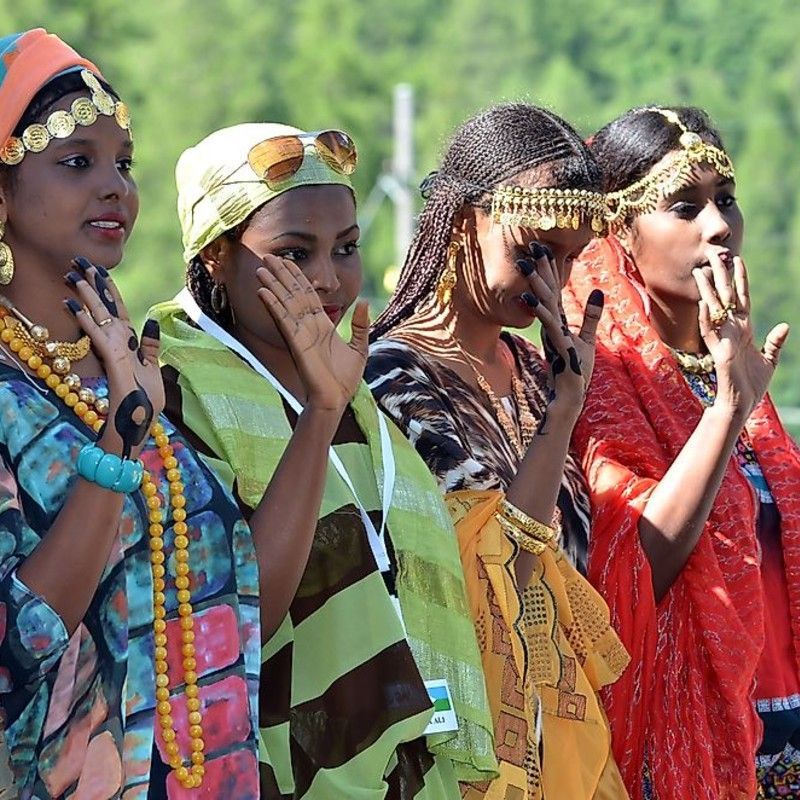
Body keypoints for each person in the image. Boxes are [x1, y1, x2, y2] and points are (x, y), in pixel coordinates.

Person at [149, 122, 497, 799]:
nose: (326, 279)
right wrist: (318, 412)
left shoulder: (362, 400)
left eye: (346, 248)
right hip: (273, 774)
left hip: (409, 774)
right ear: (216, 254)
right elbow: (241, 611)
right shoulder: (171, 389)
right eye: (292, 251)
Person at [0, 29, 265, 797]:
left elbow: (237, 605)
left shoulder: (136, 368)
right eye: (77, 162)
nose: (115, 187)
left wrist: (320, 410)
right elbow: (21, 643)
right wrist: (118, 437)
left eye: (123, 164)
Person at [367, 103, 630, 800]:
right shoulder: (388, 377)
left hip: (556, 743)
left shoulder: (542, 372)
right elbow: (498, 571)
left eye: (571, 262)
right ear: (463, 221)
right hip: (450, 748)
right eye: (535, 252)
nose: (554, 284)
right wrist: (566, 411)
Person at [563, 106, 800, 800]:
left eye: (724, 200)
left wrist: (733, 393)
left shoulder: (731, 368)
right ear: (617, 231)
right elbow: (633, 572)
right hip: (683, 737)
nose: (719, 226)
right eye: (684, 207)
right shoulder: (598, 383)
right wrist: (727, 409)